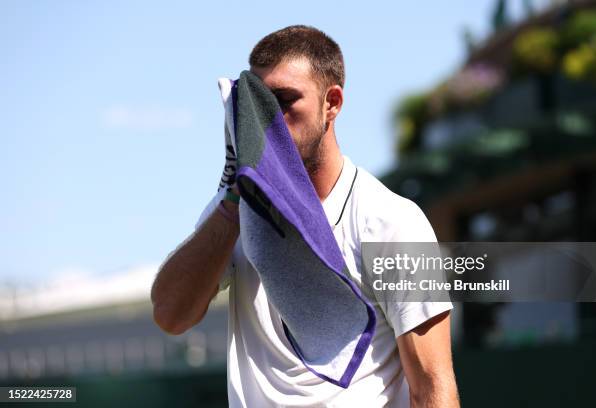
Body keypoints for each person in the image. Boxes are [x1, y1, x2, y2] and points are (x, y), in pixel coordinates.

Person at [151, 25, 460, 408]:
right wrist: (233, 196)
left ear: (332, 103)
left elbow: (432, 385)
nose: (272, 120)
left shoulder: (393, 221)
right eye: (259, 105)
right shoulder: (234, 210)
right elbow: (170, 315)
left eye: (286, 100)